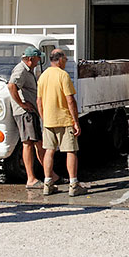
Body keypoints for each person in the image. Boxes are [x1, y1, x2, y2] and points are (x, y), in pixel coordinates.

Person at [36, 49, 86, 197]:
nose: (66, 61)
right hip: (64, 119)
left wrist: (44, 117)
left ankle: (47, 183)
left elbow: (39, 101)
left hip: (49, 120)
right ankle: (73, 184)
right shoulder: (63, 75)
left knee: (49, 151)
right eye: (65, 59)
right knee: (71, 151)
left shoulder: (43, 76)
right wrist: (76, 121)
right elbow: (70, 100)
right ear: (60, 60)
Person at [7, 46, 47, 188]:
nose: (38, 61)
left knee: (37, 142)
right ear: (30, 59)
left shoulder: (27, 70)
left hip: (30, 112)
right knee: (29, 143)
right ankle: (31, 178)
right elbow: (11, 85)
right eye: (37, 58)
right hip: (25, 114)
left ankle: (49, 175)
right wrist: (22, 104)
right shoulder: (21, 70)